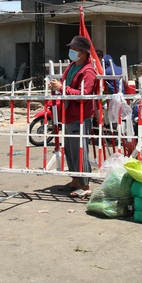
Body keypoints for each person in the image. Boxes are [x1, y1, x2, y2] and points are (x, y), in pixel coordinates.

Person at [48, 36, 97, 198]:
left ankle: (85, 185)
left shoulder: (88, 71)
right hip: (69, 114)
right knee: (70, 149)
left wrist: (63, 88)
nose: (71, 52)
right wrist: (57, 86)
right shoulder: (71, 67)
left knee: (80, 150)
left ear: (82, 53)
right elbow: (66, 86)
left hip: (81, 115)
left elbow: (85, 94)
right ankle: (76, 179)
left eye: (74, 49)